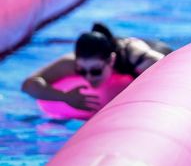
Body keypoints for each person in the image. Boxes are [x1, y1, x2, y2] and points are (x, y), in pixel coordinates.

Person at [21, 23, 172, 113]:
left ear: (111, 61)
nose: (88, 78)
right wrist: (65, 97)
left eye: (95, 71)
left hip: (157, 48)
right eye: (82, 70)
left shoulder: (135, 57)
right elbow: (28, 84)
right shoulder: (72, 63)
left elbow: (170, 72)